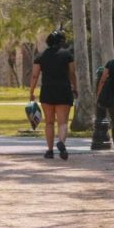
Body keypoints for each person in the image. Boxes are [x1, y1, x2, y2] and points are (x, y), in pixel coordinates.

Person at [29, 30, 77, 159]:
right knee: (62, 123)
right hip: (64, 91)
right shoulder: (67, 55)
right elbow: (72, 73)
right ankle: (61, 142)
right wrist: (75, 88)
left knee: (49, 122)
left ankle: (50, 151)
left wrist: (31, 91)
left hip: (47, 91)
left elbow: (34, 75)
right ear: (61, 42)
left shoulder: (41, 56)